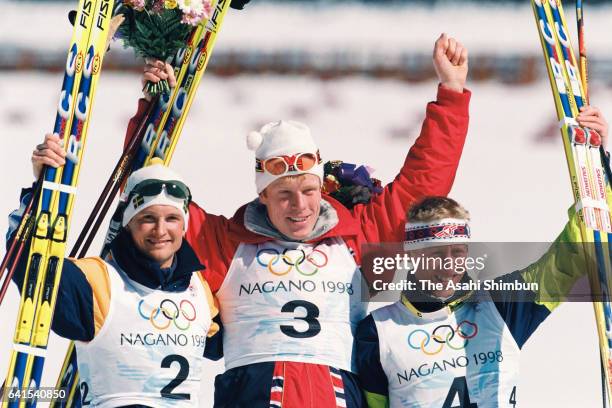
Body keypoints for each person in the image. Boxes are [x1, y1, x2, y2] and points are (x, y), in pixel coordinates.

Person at [130, 33, 471, 407]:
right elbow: (152, 196)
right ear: (263, 195)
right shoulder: (227, 242)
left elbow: (424, 183)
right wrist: (155, 109)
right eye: (284, 194)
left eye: (309, 191)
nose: (300, 206)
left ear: (322, 187)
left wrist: (452, 93)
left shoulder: (357, 238)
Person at [7, 138, 220, 407]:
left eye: (172, 219)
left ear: (185, 226)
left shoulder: (198, 288)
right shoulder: (98, 280)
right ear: (128, 224)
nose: (160, 230)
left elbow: (236, 340)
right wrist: (41, 191)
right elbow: (32, 267)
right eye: (147, 218)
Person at [354, 190, 605, 407]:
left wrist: (592, 189)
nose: (449, 265)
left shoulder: (501, 303)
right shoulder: (378, 332)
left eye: (458, 252)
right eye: (437, 253)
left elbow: (564, 262)